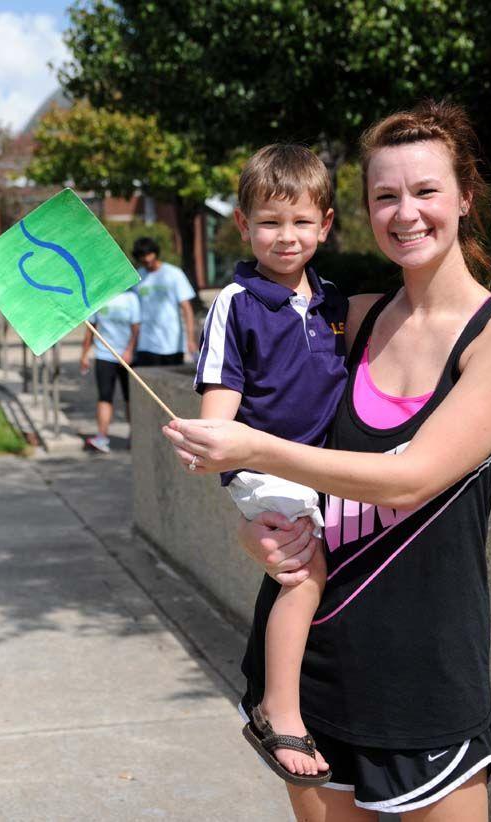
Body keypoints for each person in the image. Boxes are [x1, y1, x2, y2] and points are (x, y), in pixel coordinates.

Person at [163, 99, 491, 821]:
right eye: (385, 196)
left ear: (465, 196)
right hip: (313, 675)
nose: (406, 212)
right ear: (364, 211)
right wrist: (252, 524)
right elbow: (259, 411)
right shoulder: (349, 318)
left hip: (427, 683)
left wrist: (255, 450)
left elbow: (415, 477)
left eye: (426, 190)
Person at [194, 144, 348, 783]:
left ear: (327, 224)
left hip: (322, 464)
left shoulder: (334, 302)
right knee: (303, 571)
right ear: (242, 223)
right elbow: (218, 414)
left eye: (301, 222)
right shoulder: (237, 301)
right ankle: (277, 707)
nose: (286, 237)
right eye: (270, 222)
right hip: (261, 466)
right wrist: (216, 446)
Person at [80, 289, 141, 454]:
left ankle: (134, 437)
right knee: (104, 396)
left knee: (129, 398)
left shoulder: (131, 298)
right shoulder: (99, 296)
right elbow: (90, 329)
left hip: (126, 356)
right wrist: (84, 354)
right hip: (104, 354)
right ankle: (102, 437)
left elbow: (136, 328)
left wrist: (129, 350)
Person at [131, 237, 197, 366]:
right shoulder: (137, 278)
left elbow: (187, 308)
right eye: (142, 256)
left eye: (149, 254)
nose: (147, 259)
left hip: (172, 344)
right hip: (146, 343)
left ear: (155, 253)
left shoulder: (174, 273)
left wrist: (190, 339)